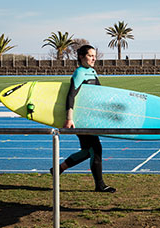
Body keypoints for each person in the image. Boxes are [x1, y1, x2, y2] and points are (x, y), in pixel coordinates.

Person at [50, 45, 116, 193]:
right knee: (96, 149)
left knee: (87, 151)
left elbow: (98, 94)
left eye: (94, 55)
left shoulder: (92, 72)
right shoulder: (79, 73)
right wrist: (69, 118)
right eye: (90, 55)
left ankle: (58, 169)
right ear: (81, 57)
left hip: (91, 118)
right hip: (81, 119)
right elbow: (71, 95)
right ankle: (100, 185)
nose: (94, 58)